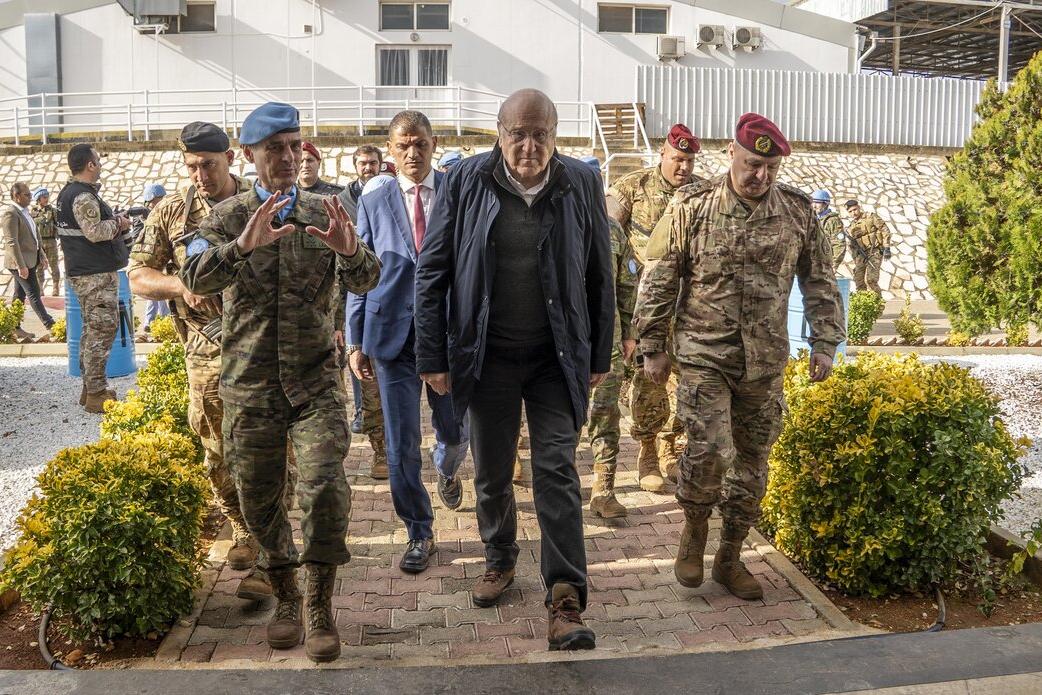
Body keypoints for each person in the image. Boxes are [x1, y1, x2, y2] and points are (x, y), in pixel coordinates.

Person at [179, 102, 381, 663]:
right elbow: (193, 276)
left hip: (315, 384)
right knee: (259, 499)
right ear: (249, 155)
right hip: (250, 386)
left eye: (295, 146)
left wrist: (350, 251)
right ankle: (286, 595)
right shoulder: (224, 218)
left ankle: (319, 605)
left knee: (325, 491)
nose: (289, 157)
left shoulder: (326, 210)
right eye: (275, 149)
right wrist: (242, 246)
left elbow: (369, 277)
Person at [414, 88, 614, 651]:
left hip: (556, 356)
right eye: (517, 134)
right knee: (493, 471)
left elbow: (600, 272)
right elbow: (433, 271)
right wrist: (432, 356)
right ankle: (499, 556)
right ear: (499, 134)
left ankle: (566, 597)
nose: (529, 147)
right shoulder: (464, 180)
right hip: (487, 355)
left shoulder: (581, 182)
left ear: (555, 135)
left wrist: (598, 354)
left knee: (556, 470)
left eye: (540, 135)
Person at [635, 113, 844, 600]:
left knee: (753, 462)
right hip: (704, 354)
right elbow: (660, 276)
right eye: (752, 164)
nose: (760, 176)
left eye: (770, 168)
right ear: (732, 153)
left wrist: (825, 342)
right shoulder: (693, 206)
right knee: (709, 450)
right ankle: (694, 531)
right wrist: (652, 345)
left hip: (764, 361)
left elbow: (819, 280)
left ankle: (729, 558)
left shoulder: (797, 213)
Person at [128, 121, 268, 602]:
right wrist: (181, 285)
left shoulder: (259, 203)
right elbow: (138, 275)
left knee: (270, 450)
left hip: (262, 348)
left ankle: (269, 553)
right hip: (205, 351)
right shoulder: (172, 211)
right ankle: (241, 527)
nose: (200, 175)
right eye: (191, 166)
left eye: (208, 164)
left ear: (230, 158)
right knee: (216, 450)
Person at [346, 110, 469, 575]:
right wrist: (355, 338)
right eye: (403, 146)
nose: (412, 153)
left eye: (420, 144)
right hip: (390, 335)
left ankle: (448, 469)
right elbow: (360, 270)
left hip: (447, 335)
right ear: (390, 151)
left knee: (453, 431)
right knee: (400, 444)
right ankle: (419, 530)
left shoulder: (457, 192)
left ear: (433, 144)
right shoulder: (374, 199)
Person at [606, 123, 702, 493]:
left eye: (689, 161)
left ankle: (669, 447)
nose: (684, 167)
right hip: (646, 308)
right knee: (650, 381)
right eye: (678, 159)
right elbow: (608, 236)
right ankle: (647, 450)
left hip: (690, 309)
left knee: (688, 383)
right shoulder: (633, 187)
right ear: (663, 153)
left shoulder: (702, 193)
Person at [56, 143, 132, 413]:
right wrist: (120, 223)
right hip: (94, 275)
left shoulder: (69, 193)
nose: (100, 165)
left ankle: (90, 388)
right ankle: (96, 394)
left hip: (86, 273)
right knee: (102, 330)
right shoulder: (83, 195)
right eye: (98, 161)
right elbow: (95, 232)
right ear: (90, 165)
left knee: (92, 330)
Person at [583, 156, 638, 518]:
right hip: (562, 345)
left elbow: (628, 285)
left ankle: (603, 490)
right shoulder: (554, 225)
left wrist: (630, 333)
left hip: (607, 343)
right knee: (559, 421)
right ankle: (558, 485)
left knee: (605, 415)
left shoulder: (613, 230)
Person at [337, 145, 387, 475]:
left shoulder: (390, 194)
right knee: (368, 385)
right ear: (355, 166)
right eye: (362, 163)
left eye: (373, 163)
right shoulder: (342, 202)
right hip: (361, 305)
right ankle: (380, 449)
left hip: (394, 306)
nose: (368, 167)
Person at [3, 182, 55, 340]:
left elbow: (34, 235)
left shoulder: (25, 212)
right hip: (20, 263)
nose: (30, 197)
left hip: (30, 260)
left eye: (30, 194)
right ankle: (51, 326)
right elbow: (12, 242)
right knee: (33, 293)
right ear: (16, 196)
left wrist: (42, 255)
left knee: (19, 295)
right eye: (27, 195)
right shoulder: (11, 213)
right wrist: (21, 266)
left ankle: (14, 327)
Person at [140, 183, 170, 333]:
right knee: (155, 290)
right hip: (152, 257)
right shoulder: (150, 216)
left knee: (160, 290)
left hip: (162, 257)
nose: (151, 205)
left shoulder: (165, 213)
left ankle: (157, 321)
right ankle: (155, 320)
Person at [845, 199, 891, 295]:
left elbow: (885, 230)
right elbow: (851, 246)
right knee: (858, 280)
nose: (853, 213)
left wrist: (887, 247)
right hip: (861, 255)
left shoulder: (871, 217)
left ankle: (877, 302)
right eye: (850, 211)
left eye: (855, 209)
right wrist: (856, 259)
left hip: (874, 252)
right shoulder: (851, 227)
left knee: (871, 280)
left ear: (859, 207)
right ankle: (864, 302)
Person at [30, 187, 61, 297]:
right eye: (44, 197)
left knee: (53, 264)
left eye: (47, 196)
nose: (46, 199)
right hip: (38, 242)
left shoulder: (52, 210)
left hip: (51, 241)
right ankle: (40, 288)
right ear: (38, 199)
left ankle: (56, 287)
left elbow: (59, 224)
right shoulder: (33, 212)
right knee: (39, 266)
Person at [811, 190, 845, 270]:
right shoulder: (813, 219)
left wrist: (834, 265)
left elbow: (839, 244)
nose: (814, 206)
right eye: (813, 202)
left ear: (825, 204)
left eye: (817, 203)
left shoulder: (833, 221)